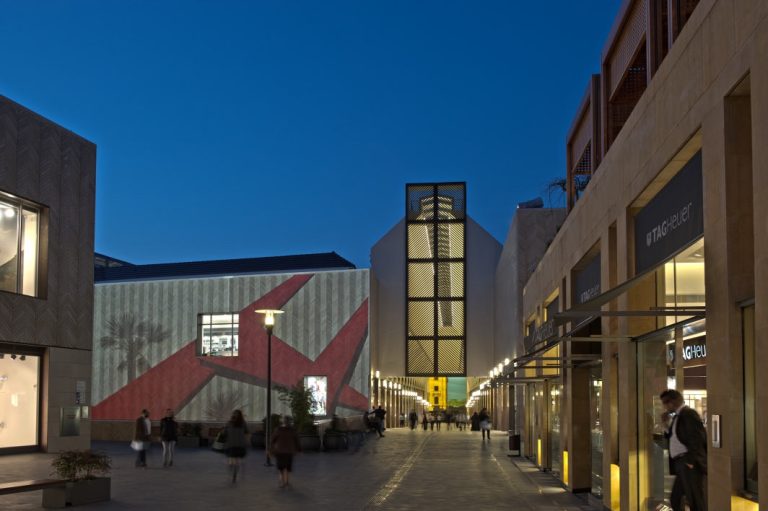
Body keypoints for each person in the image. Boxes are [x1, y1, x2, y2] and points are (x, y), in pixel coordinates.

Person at [660, 389, 707, 511]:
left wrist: (690, 462)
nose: (664, 407)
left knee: (695, 500)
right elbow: (673, 436)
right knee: (675, 499)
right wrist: (665, 424)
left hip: (688, 463)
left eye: (665, 403)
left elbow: (697, 438)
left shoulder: (689, 414)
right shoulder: (678, 416)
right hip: (681, 463)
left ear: (672, 402)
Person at [270, 416, 301, 488]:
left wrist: (271, 449)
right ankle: (286, 481)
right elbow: (297, 441)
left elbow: (272, 440)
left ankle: (282, 481)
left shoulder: (278, 430)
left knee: (281, 467)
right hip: (289, 451)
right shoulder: (292, 430)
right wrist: (299, 449)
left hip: (279, 451)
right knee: (287, 467)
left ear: (282, 422)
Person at [224, 409, 249, 483]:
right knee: (236, 459)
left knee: (232, 459)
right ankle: (235, 470)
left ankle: (232, 468)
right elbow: (247, 433)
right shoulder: (243, 423)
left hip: (231, 444)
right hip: (240, 444)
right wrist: (246, 442)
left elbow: (225, 433)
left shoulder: (229, 423)